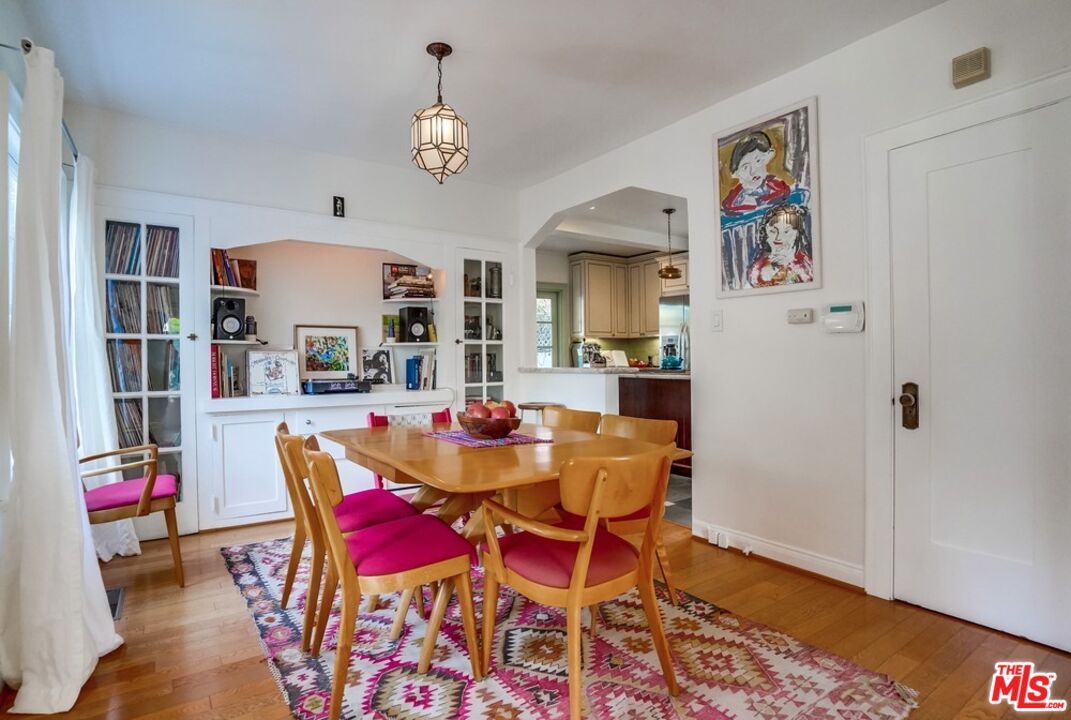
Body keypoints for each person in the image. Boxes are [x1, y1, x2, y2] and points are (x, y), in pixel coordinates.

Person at [721, 130, 791, 215]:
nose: (753, 171)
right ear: (736, 174)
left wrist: (759, 202)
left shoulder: (777, 186)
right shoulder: (733, 201)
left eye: (758, 161)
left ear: (767, 157)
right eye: (745, 167)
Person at [747, 204, 814, 287]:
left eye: (786, 232)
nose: (778, 237)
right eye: (772, 231)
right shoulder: (758, 266)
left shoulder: (804, 265)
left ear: (797, 234)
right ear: (765, 232)